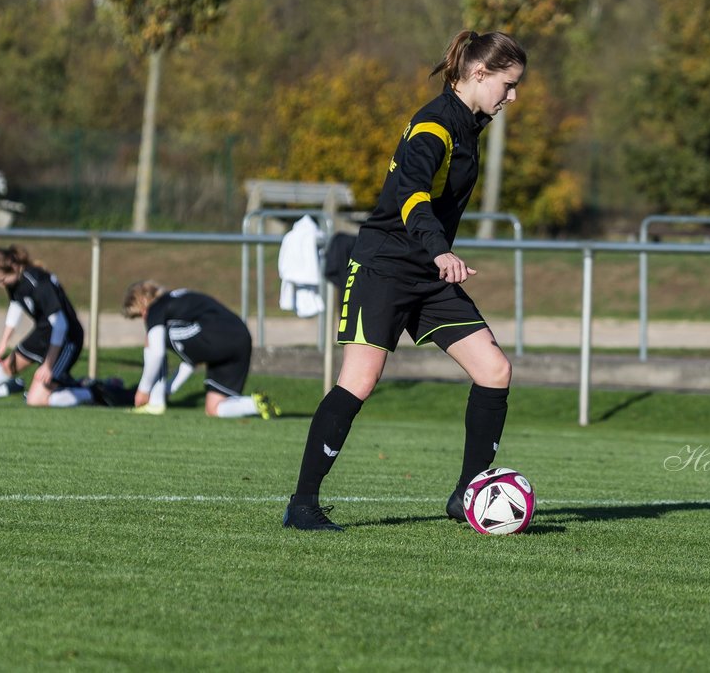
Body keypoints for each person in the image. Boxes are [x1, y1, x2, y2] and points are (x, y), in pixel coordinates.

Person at [282, 29, 526, 532]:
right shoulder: (435, 126)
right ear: (479, 75)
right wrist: (440, 250)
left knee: (494, 370)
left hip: (427, 273)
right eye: (508, 84)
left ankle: (467, 494)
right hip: (386, 266)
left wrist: (435, 256)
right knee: (360, 380)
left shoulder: (467, 126)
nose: (512, 96)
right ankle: (302, 505)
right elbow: (410, 194)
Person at [121, 280, 277, 419]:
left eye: (140, 314)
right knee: (214, 408)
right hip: (240, 338)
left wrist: (143, 389)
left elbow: (157, 352)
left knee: (153, 339)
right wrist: (169, 388)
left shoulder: (156, 307)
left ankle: (155, 403)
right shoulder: (178, 299)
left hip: (215, 333)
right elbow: (192, 359)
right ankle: (256, 403)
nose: (144, 319)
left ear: (143, 300)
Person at [0, 245, 94, 408]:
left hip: (67, 339)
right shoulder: (15, 282)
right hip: (44, 332)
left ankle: (89, 391)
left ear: (15, 267)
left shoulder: (39, 284)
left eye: (2, 280)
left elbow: (61, 325)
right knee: (9, 365)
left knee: (35, 401)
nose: (1, 286)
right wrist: (4, 342)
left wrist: (48, 365)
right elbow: (16, 306)